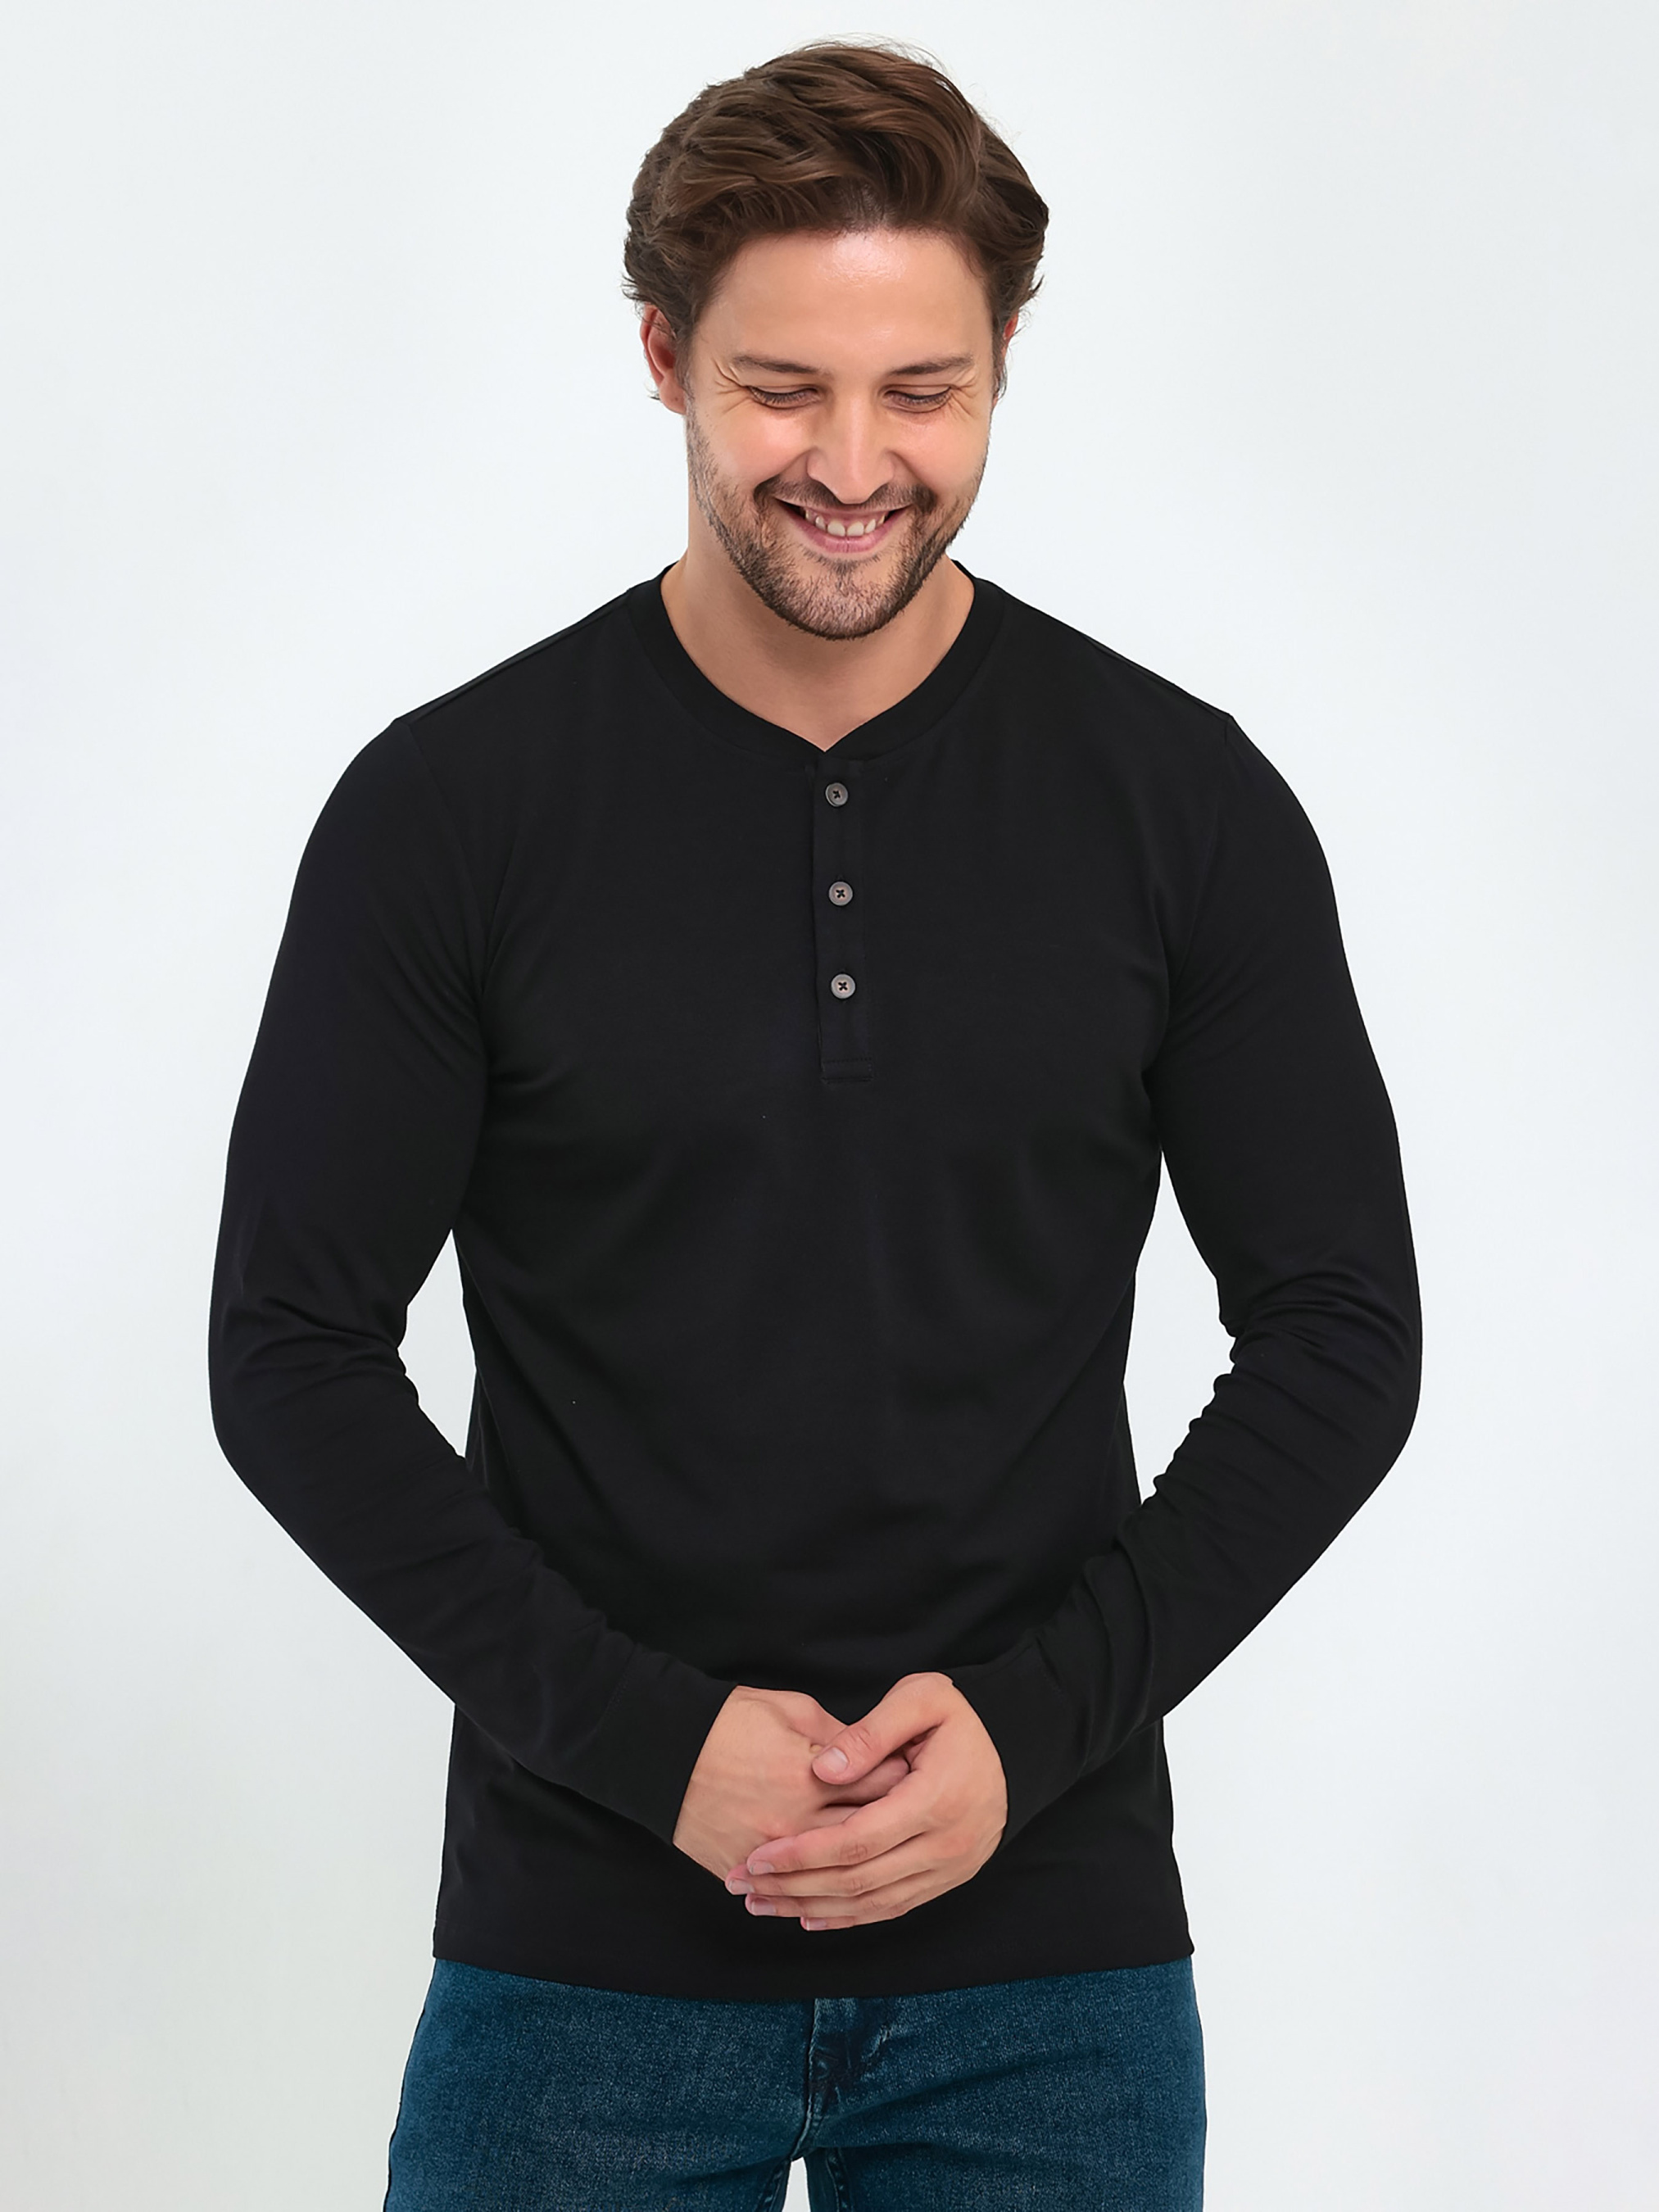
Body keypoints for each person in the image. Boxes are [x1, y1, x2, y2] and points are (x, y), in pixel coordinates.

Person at [208, 40, 1421, 2211]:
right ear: (663, 356)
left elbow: (1340, 1330)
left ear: (1006, 358)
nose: (854, 465)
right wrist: (649, 1745)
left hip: (1049, 1977)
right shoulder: (452, 809)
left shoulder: (1182, 803)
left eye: (922, 391)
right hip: (580, 1958)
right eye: (783, 390)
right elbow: (288, 1349)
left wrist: (1036, 1727)